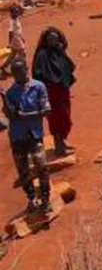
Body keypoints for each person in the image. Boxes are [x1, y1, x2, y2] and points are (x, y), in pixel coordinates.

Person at [3, 59, 51, 211]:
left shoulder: (38, 87)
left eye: (20, 71)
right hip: (17, 136)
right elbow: (10, 115)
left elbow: (46, 110)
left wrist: (25, 115)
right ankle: (31, 198)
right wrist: (4, 99)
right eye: (15, 73)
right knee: (23, 169)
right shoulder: (10, 93)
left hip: (34, 134)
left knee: (41, 165)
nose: (18, 75)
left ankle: (45, 198)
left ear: (26, 69)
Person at [32, 27, 75, 157]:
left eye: (56, 38)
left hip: (63, 90)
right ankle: (59, 147)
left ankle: (62, 142)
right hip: (51, 93)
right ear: (46, 40)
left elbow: (70, 66)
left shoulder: (58, 52)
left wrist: (62, 52)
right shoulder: (42, 55)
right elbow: (38, 74)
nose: (53, 41)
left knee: (66, 118)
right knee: (56, 119)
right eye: (51, 38)